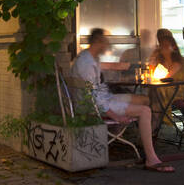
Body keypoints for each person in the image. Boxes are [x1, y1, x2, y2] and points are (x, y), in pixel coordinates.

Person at [73, 28, 175, 170]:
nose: (108, 45)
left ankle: (121, 137)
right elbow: (93, 98)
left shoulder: (89, 57)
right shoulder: (86, 63)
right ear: (98, 41)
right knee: (145, 111)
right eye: (105, 41)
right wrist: (116, 116)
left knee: (144, 100)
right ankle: (151, 159)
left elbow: (97, 91)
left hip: (104, 99)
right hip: (94, 106)